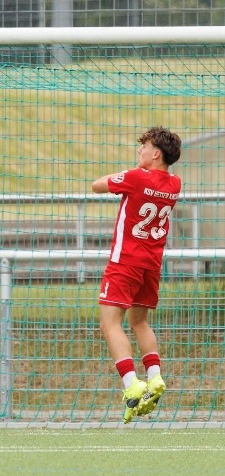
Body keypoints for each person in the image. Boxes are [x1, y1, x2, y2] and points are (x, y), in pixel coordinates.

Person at [91, 126, 182, 424]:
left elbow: (97, 185)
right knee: (139, 322)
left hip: (125, 261)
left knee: (109, 323)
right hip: (151, 265)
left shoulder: (135, 177)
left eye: (144, 146)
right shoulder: (175, 183)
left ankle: (131, 384)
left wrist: (129, 173)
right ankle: (154, 377)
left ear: (156, 154)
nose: (139, 150)